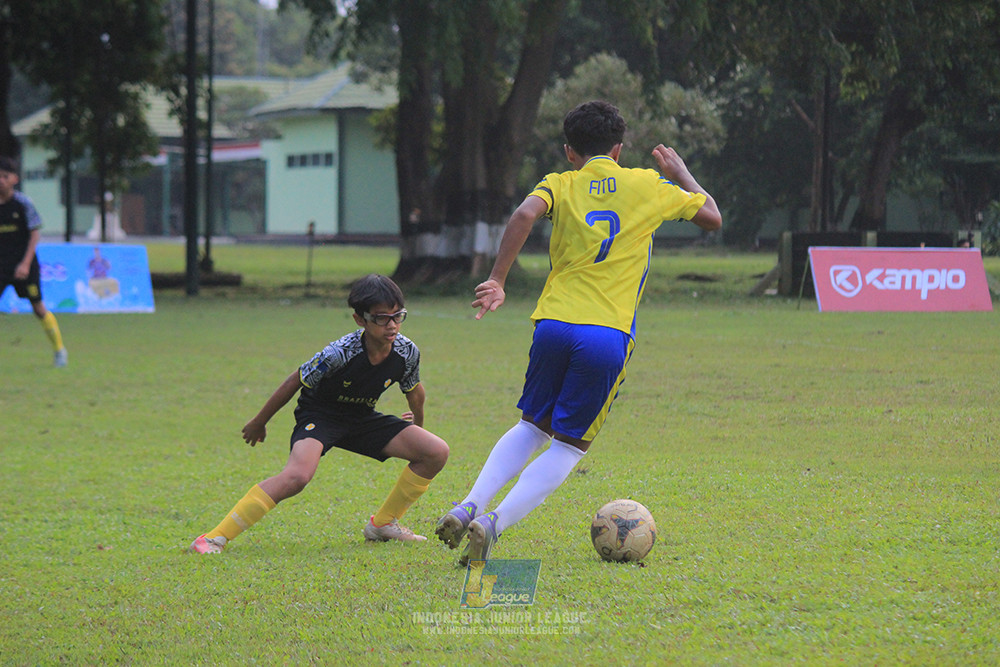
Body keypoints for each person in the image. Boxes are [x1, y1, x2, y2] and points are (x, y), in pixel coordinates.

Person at [435, 100, 722, 563]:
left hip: (553, 323)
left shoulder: (560, 183)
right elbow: (712, 217)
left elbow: (524, 215)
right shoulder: (647, 184)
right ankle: (493, 523)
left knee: (531, 426)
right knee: (567, 447)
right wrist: (682, 173)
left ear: (570, 152)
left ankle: (471, 503)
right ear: (619, 148)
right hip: (606, 333)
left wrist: (499, 280)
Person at [190, 274, 449, 553]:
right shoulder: (339, 353)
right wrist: (259, 422)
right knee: (297, 477)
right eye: (381, 318)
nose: (392, 325)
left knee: (435, 451)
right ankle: (213, 538)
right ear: (360, 320)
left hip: (361, 416)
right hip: (320, 416)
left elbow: (415, 392)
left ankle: (383, 524)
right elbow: (294, 380)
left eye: (398, 316)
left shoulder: (406, 351)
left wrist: (418, 427)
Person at [0, 155, 68, 367]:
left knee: (38, 308)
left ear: (15, 179)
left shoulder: (23, 204)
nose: (1, 180)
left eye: (5, 176)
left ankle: (59, 350)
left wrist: (25, 264)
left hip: (24, 264)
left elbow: (34, 234)